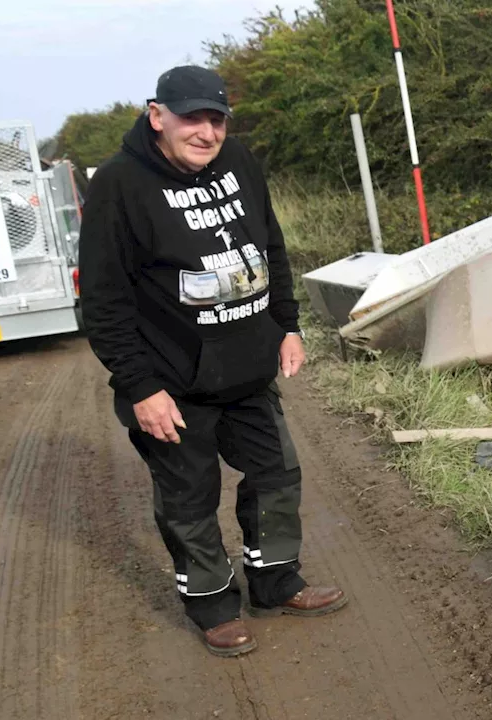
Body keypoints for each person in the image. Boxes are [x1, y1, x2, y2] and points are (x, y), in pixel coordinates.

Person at [78, 65, 346, 657]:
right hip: (171, 384)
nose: (205, 131)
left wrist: (287, 325)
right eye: (191, 117)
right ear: (157, 116)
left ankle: (276, 582)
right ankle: (213, 607)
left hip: (249, 367)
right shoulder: (120, 185)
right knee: (189, 500)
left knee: (277, 476)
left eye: (216, 118)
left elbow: (268, 244)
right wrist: (140, 386)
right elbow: (102, 299)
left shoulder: (240, 162)